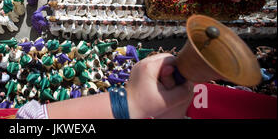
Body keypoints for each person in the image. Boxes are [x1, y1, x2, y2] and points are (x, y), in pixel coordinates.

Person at [17, 53, 194, 119]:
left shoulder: (90, 78)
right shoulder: (94, 79)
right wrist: (133, 104)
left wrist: (131, 103)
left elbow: (31, 119)